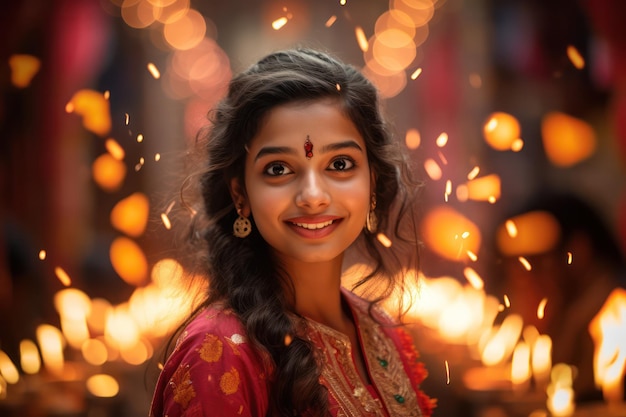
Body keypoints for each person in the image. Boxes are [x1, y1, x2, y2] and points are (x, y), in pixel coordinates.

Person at [149, 48, 435, 417]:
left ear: (373, 182)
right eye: (279, 169)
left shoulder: (379, 331)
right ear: (241, 194)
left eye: (340, 164)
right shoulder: (219, 353)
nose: (313, 197)